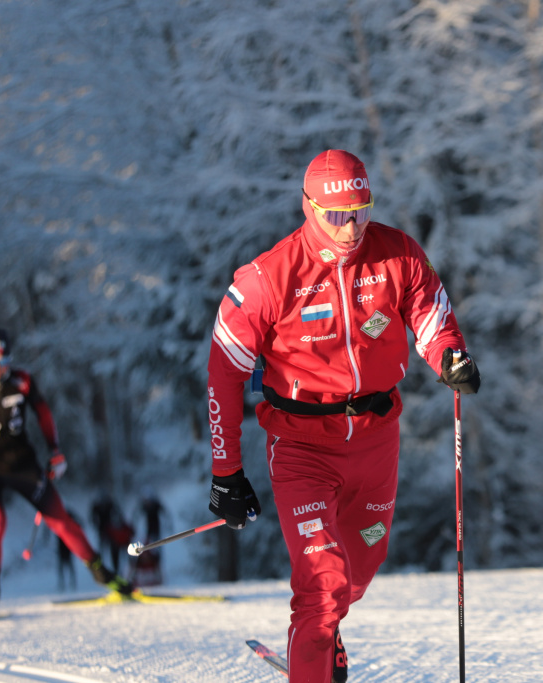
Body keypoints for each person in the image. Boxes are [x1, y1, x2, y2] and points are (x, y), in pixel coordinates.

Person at [205, 149, 481, 682]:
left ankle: (323, 632)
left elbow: (429, 314)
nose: (351, 227)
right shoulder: (269, 278)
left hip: (377, 440)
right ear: (308, 208)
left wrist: (450, 354)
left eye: (361, 211)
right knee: (323, 582)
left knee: (361, 564)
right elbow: (224, 372)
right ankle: (315, 645)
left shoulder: (396, 254)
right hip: (303, 444)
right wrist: (227, 472)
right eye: (337, 215)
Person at [0, 325, 134, 618]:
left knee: (61, 521)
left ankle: (104, 574)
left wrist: (56, 451)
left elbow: (43, 413)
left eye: (3, 363)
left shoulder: (22, 381)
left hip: (22, 464)